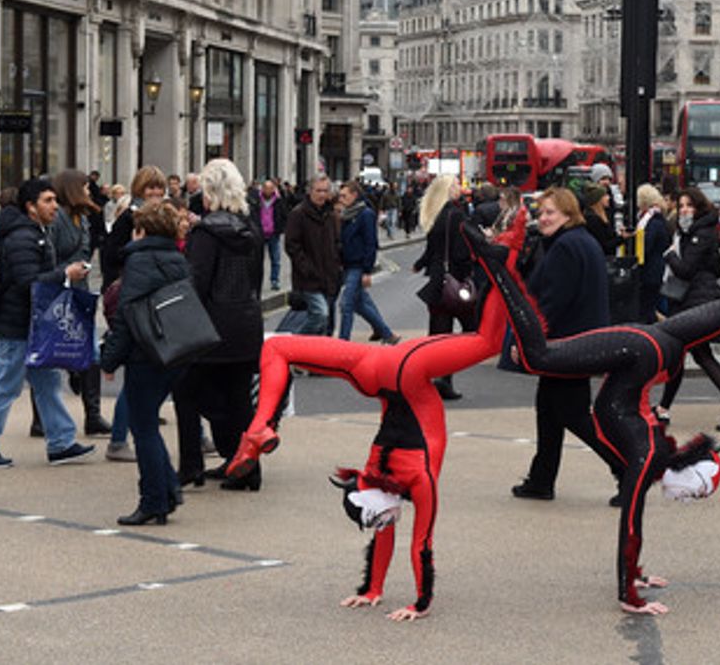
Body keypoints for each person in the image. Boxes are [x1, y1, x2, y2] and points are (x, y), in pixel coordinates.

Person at [490, 220, 720, 615]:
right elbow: (630, 523)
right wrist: (630, 594)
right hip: (644, 350)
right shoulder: (649, 452)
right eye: (696, 492)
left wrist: (638, 575)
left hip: (649, 348)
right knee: (539, 356)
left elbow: (635, 522)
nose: (688, 500)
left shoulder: (650, 452)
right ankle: (498, 266)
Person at [225, 213, 530, 620]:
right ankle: (259, 427)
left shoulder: (413, 480)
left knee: (488, 341)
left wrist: (414, 603)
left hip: (404, 372)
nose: (382, 523)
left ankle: (508, 251)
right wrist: (373, 590)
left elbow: (419, 542)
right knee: (278, 349)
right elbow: (391, 537)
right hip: (379, 367)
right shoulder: (370, 474)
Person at [510, 187, 623, 499]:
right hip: (578, 342)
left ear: (569, 215)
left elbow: (551, 302)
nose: (543, 218)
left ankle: (625, 470)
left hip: (568, 346)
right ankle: (541, 479)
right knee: (547, 410)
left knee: (573, 415)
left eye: (550, 213)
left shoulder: (565, 247)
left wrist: (528, 339)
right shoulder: (581, 241)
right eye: (541, 212)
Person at [0, 178, 95, 468]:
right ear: (30, 207)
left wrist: (64, 273)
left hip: (31, 323)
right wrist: (65, 275)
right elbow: (27, 282)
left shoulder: (34, 232)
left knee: (48, 383)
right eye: (48, 201)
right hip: (17, 324)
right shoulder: (23, 236)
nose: (55, 207)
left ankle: (61, 442)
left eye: (54, 200)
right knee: (5, 388)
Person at [174, 158, 265, 491]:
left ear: (209, 192)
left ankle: (190, 466)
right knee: (239, 398)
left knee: (187, 394)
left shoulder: (206, 232)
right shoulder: (250, 230)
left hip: (212, 327)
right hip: (246, 322)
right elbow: (256, 280)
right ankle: (245, 465)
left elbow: (195, 283)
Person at [98, 201, 191, 523]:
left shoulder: (138, 261)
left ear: (141, 231)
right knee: (149, 425)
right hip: (174, 351)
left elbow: (127, 315)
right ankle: (167, 491)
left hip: (144, 356)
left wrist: (109, 359)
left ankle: (153, 500)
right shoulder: (177, 258)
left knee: (144, 429)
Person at [655, 187, 720, 431]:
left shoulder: (701, 233)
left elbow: (686, 269)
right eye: (681, 206)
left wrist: (669, 256)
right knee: (687, 354)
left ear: (699, 208)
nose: (684, 210)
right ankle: (663, 409)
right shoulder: (691, 232)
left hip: (696, 302)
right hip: (692, 300)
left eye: (689, 206)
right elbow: (717, 268)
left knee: (697, 354)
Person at [46, 170, 110, 437]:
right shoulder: (59, 217)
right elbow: (48, 257)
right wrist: (67, 270)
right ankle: (44, 419)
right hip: (60, 293)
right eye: (84, 187)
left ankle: (92, 414)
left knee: (90, 352)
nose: (88, 192)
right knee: (50, 355)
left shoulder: (81, 217)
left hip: (80, 292)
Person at [412, 175, 472, 400]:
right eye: (456, 184)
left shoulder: (435, 215)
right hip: (454, 280)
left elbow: (431, 250)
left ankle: (437, 378)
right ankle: (443, 379)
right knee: (474, 330)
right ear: (448, 190)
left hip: (437, 281)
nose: (460, 187)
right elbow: (461, 251)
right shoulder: (457, 215)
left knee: (438, 335)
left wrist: (420, 264)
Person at [336, 180, 401, 346]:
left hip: (358, 265)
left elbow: (370, 243)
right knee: (360, 304)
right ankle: (387, 333)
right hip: (347, 264)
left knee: (347, 304)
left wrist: (367, 270)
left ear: (354, 195)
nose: (341, 198)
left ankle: (343, 343)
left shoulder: (365, 214)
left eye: (344, 195)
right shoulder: (346, 214)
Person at [285, 176, 342, 336]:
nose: (322, 195)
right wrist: (306, 268)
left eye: (325, 191)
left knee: (325, 326)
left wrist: (338, 267)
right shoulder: (298, 214)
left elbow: (337, 242)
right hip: (308, 279)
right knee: (320, 315)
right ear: (310, 192)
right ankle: (294, 345)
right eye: (318, 190)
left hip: (329, 277)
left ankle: (312, 357)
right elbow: (292, 245)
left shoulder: (331, 215)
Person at [100, 166, 170, 288]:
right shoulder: (128, 218)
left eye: (160, 188)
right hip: (131, 283)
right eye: (151, 188)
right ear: (140, 189)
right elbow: (111, 256)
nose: (156, 192)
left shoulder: (164, 217)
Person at [632, 183, 671, 324]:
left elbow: (646, 245)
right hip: (655, 269)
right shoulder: (656, 219)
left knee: (647, 308)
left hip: (651, 271)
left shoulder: (652, 222)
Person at [249, 179, 289, 292]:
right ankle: (256, 281)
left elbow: (284, 214)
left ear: (273, 189)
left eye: (270, 188)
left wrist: (281, 228)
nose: (267, 191)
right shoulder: (256, 200)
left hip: (273, 234)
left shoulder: (278, 200)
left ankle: (275, 280)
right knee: (258, 259)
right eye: (265, 188)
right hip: (260, 233)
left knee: (275, 259)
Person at [582, 185, 620, 257]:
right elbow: (604, 245)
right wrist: (622, 238)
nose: (608, 198)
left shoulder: (603, 215)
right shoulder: (592, 219)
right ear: (598, 199)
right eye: (605, 196)